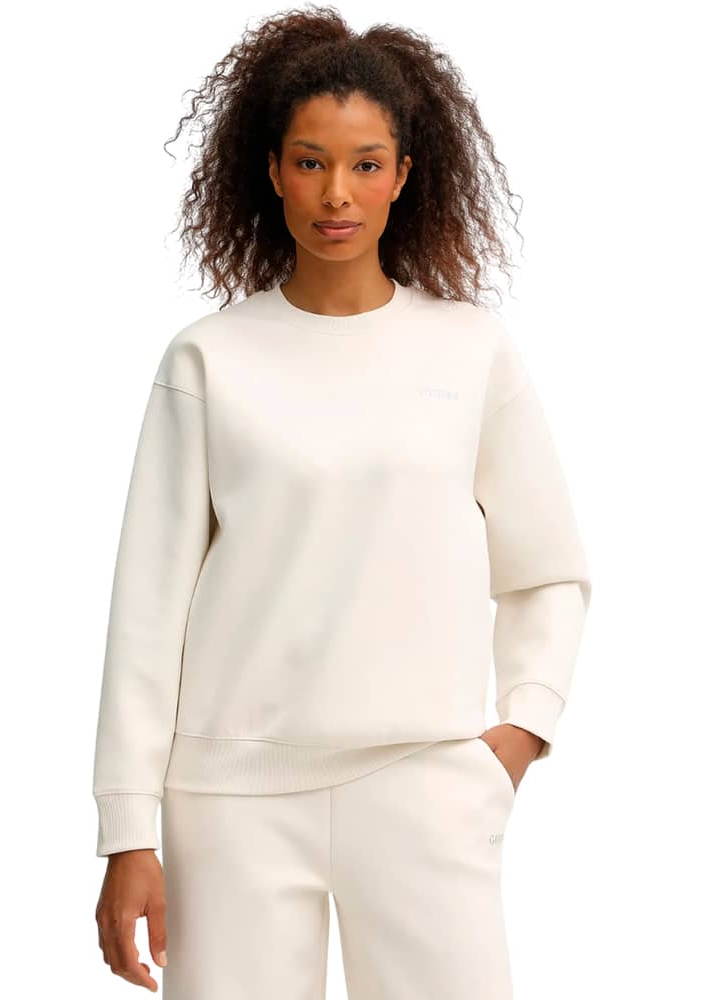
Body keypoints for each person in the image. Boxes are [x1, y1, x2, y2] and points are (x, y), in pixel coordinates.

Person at [92, 7, 592, 998]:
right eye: (311, 162)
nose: (336, 193)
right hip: (228, 798)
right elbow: (147, 613)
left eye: (365, 165)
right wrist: (126, 830)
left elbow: (547, 568)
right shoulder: (209, 360)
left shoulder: (470, 350)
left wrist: (520, 732)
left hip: (424, 786)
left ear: (403, 175)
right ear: (273, 171)